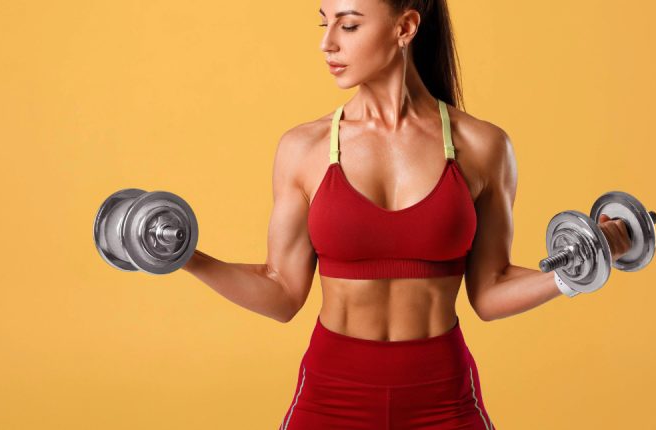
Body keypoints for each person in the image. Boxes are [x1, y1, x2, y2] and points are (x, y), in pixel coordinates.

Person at [183, 1, 631, 428]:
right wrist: (185, 256)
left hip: (443, 397)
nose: (328, 43)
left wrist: (577, 269)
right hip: (332, 395)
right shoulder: (304, 149)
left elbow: (489, 293)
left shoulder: (482, 146)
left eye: (349, 24)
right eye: (325, 23)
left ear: (405, 28)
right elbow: (282, 293)